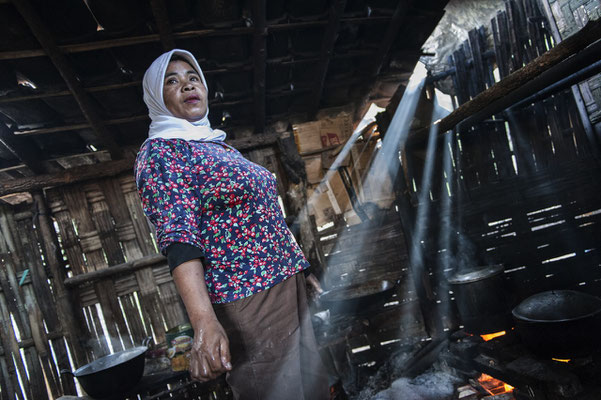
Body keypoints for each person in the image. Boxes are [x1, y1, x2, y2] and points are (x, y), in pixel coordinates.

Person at [135, 49, 329, 400]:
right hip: (248, 300)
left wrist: (300, 267)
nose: (187, 85)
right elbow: (179, 240)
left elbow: (264, 216)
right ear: (155, 96)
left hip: (285, 283)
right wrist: (203, 323)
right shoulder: (161, 152)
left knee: (311, 386)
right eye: (172, 81)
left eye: (193, 77)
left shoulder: (215, 147)